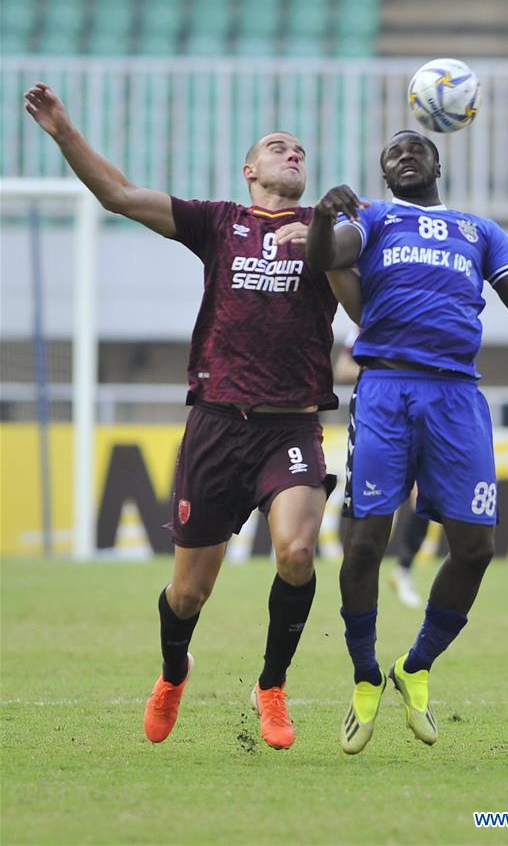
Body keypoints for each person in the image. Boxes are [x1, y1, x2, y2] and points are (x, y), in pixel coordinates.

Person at [24, 82, 359, 752]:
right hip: (213, 426)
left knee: (295, 551)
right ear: (250, 170)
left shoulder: (326, 237)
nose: (290, 151)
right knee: (187, 594)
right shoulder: (218, 222)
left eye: (298, 149)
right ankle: (175, 671)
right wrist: (63, 132)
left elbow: (361, 303)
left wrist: (329, 236)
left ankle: (271, 685)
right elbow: (119, 196)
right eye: (275, 146)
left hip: (289, 427)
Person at [306, 129, 508, 755]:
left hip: (458, 397)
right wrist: (326, 214)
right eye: (392, 152)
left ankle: (414, 667)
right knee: (365, 541)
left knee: (474, 548)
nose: (404, 155)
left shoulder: (479, 231)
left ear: (437, 161)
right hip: (388, 388)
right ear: (384, 175)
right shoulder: (374, 217)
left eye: (416, 148)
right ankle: (365, 674)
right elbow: (325, 256)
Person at [335, 326, 429, 609]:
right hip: (378, 418)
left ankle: (403, 570)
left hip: (420, 413)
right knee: (375, 506)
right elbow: (342, 369)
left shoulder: (426, 315)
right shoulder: (367, 323)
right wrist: (385, 369)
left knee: (423, 495)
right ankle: (362, 588)